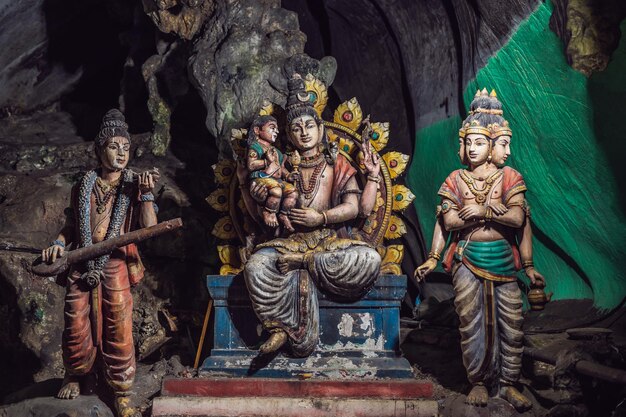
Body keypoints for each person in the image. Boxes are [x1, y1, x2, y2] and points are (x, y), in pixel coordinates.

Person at [415, 89, 545, 411]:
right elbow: (446, 220)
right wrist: (433, 258)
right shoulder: (455, 180)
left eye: (480, 142)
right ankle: (478, 381)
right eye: (468, 142)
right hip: (467, 260)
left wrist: (528, 266)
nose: (473, 149)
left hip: (503, 260)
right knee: (472, 321)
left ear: (492, 146)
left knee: (510, 322)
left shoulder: (509, 177)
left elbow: (518, 218)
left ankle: (509, 383)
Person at [242, 74, 382, 356]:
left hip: (329, 241)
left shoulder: (336, 162)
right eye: (296, 127)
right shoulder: (278, 165)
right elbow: (262, 214)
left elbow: (356, 208)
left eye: (309, 125)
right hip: (288, 241)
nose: (304, 132)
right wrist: (249, 186)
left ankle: (304, 262)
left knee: (369, 259)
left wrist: (323, 218)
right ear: (288, 134)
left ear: (320, 128)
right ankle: (281, 327)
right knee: (255, 267)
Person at [41, 109, 158, 417]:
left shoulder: (133, 183)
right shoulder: (83, 185)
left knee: (118, 323)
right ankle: (77, 374)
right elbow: (71, 227)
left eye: (126, 147)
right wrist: (58, 244)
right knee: (76, 321)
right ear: (99, 149)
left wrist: (145, 195)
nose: (121, 152)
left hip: (116, 263)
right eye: (114, 146)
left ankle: (121, 390)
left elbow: (147, 230)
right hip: (82, 261)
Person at [246, 114, 298, 232]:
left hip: (277, 180)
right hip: (262, 178)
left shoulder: (278, 152)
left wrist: (288, 175)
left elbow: (281, 167)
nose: (276, 131)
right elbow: (251, 165)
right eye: (272, 127)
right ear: (257, 130)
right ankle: (269, 212)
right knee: (276, 191)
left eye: (277, 128)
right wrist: (266, 161)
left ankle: (283, 214)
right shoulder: (256, 147)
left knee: (293, 192)